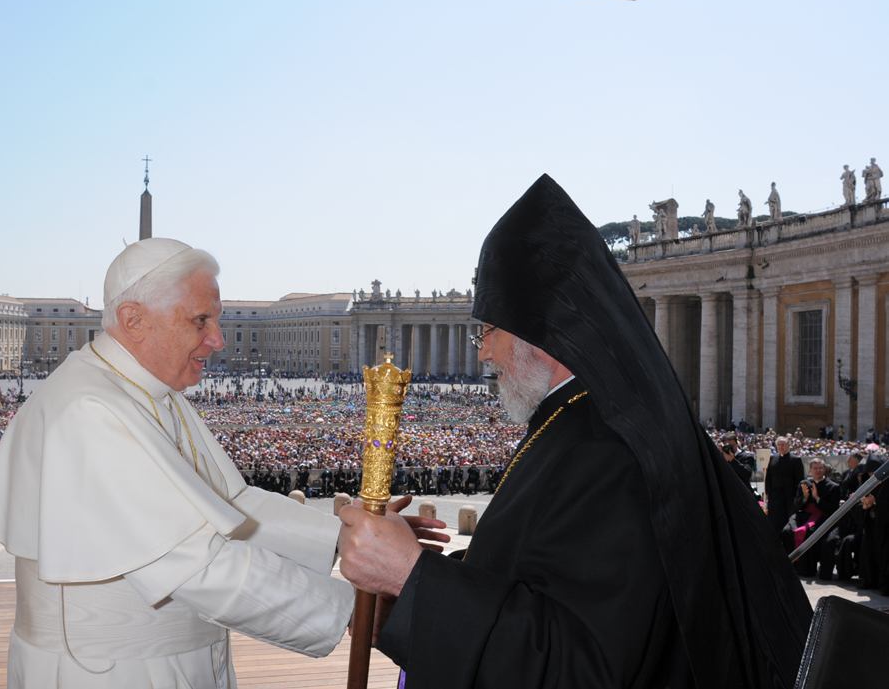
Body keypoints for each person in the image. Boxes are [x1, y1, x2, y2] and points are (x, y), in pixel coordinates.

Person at [336, 174, 811, 689]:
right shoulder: (575, 428)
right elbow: (535, 580)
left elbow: (581, 665)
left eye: (489, 331)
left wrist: (413, 576)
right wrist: (410, 597)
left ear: (540, 331)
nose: (482, 353)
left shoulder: (608, 455)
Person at [0, 238, 354, 688]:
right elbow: (197, 565)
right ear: (133, 320)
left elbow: (227, 503)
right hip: (110, 674)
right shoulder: (88, 409)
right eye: (200, 321)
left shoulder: (150, 393)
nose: (217, 340)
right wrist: (352, 610)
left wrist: (345, 538)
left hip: (172, 663)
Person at [780, 457, 841, 579]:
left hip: (822, 516)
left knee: (810, 533)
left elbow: (832, 509)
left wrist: (817, 498)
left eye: (820, 468)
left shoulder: (833, 486)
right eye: (815, 468)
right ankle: (791, 566)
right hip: (803, 515)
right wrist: (805, 497)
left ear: (824, 470)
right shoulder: (804, 483)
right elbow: (797, 505)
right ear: (810, 470)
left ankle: (806, 569)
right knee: (786, 531)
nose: (818, 470)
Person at [766, 435, 806, 534]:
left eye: (783, 444)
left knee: (788, 524)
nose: (781, 447)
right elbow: (768, 478)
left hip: (790, 497)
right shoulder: (772, 458)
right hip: (775, 497)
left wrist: (797, 498)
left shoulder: (796, 460)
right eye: (779, 445)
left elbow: (800, 480)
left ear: (788, 446)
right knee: (774, 523)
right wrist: (768, 493)